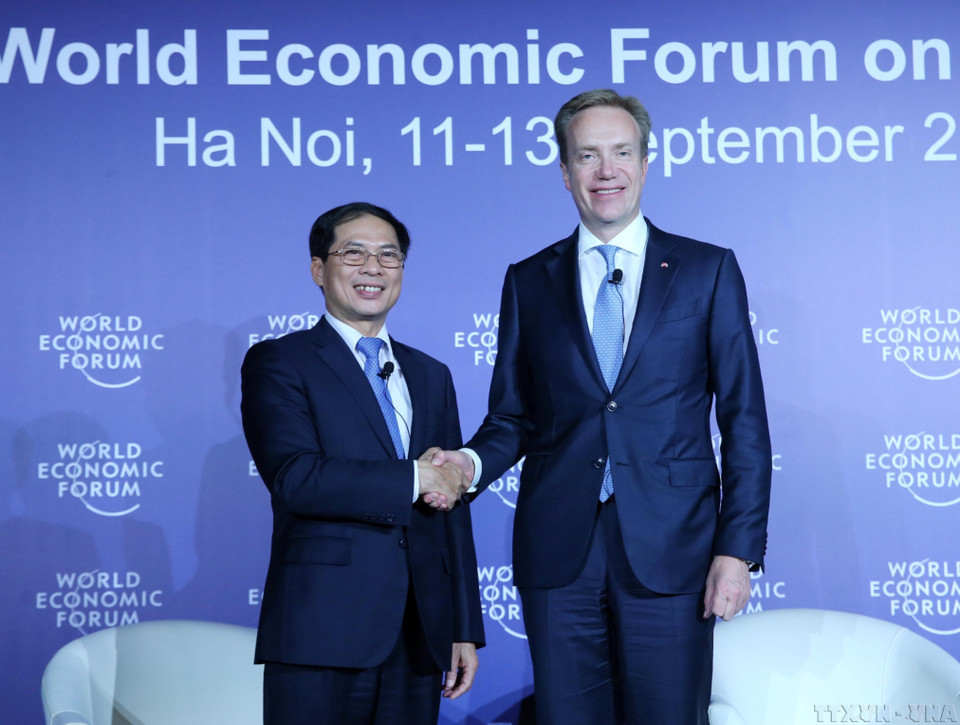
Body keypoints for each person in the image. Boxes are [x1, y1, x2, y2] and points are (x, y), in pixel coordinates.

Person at [431, 89, 772, 724]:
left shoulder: (707, 270)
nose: (605, 170)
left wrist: (738, 549)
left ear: (645, 163)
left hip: (674, 547)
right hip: (560, 550)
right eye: (587, 155)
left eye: (621, 152)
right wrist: (467, 466)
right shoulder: (528, 280)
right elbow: (514, 416)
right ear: (565, 172)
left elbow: (744, 419)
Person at [241, 202, 484, 725]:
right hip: (321, 630)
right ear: (318, 269)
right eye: (353, 253)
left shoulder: (431, 374)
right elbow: (296, 478)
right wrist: (415, 476)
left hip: (419, 632)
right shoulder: (281, 361)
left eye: (388, 256)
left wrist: (463, 626)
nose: (373, 267)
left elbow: (451, 502)